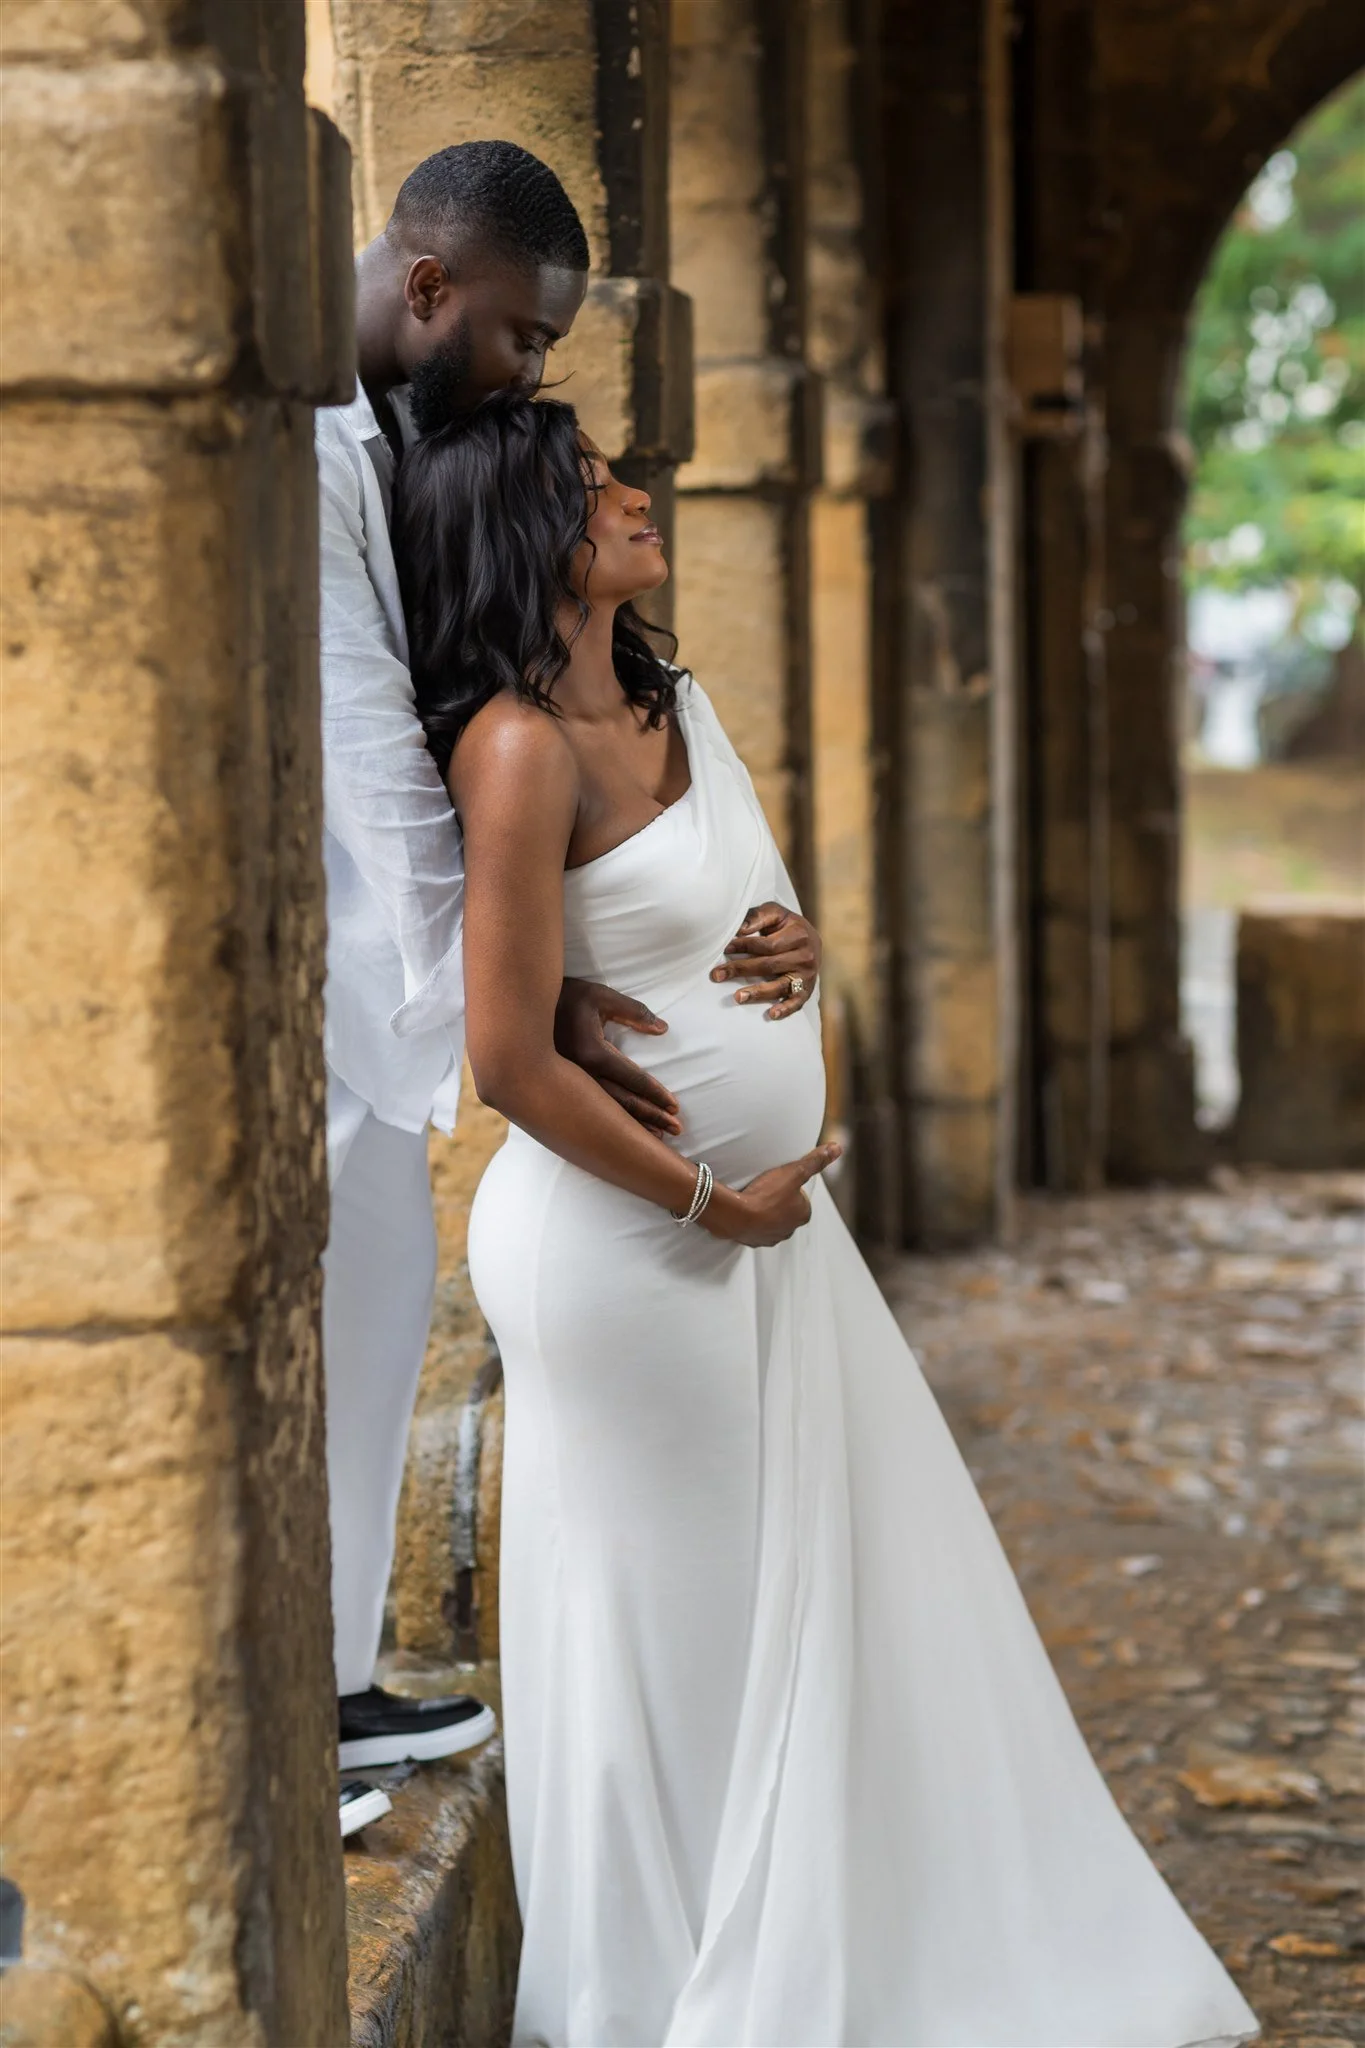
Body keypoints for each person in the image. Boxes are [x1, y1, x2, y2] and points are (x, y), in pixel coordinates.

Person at [390, 391, 1261, 2047]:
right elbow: (509, 1052)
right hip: (631, 1255)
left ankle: (816, 1961)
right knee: (685, 1623)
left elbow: (740, 929)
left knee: (802, 1597)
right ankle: (682, 1987)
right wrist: (710, 1198)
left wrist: (800, 954)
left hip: (763, 1238)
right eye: (594, 488)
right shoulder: (511, 748)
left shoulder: (672, 695)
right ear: (528, 538)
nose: (638, 495)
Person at [317, 142, 718, 1833]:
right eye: (522, 337)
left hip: (358, 986)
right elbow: (366, 747)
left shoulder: (388, 433)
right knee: (323, 1305)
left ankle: (334, 1679)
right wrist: (514, 988)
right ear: (425, 290)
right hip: (312, 968)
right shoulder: (307, 445)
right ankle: (303, 1708)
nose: (537, 372)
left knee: (372, 1299)